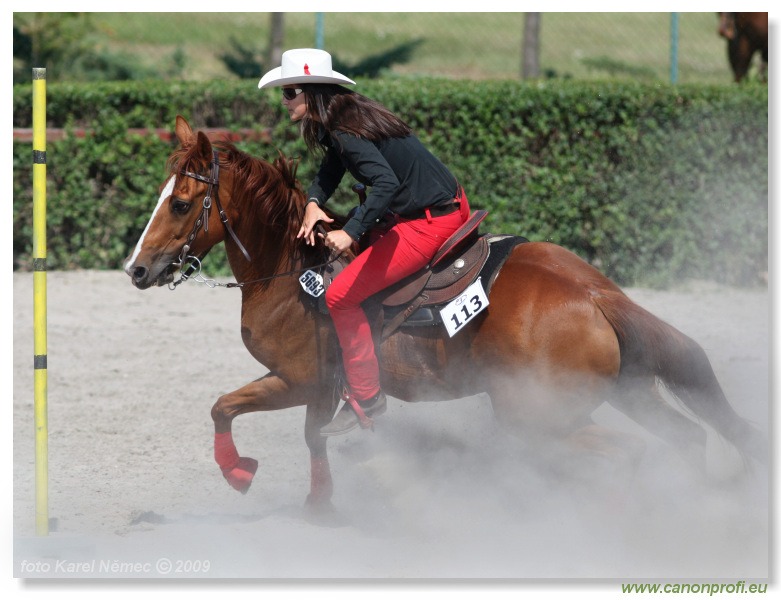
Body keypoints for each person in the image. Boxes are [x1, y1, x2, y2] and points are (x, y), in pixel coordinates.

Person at [258, 48, 468, 436]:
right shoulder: (340, 119)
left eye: (289, 93)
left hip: (428, 223)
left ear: (311, 92)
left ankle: (367, 397)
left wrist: (350, 231)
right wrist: (313, 203)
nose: (283, 101)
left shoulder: (344, 129)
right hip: (435, 208)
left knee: (340, 297)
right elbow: (330, 169)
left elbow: (386, 183)